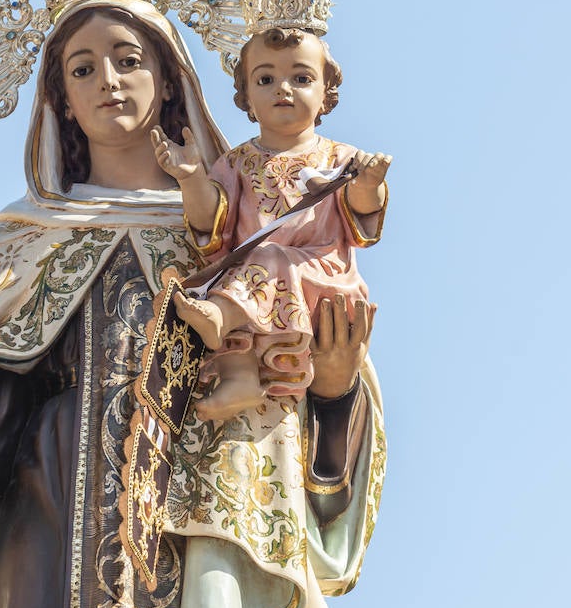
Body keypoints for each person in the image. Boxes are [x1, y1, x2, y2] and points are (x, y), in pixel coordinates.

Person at [0, 0, 386, 608]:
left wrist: (336, 391)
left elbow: (291, 393)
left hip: (198, 521)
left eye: (128, 60)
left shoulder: (228, 235)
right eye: (83, 69)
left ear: (169, 80)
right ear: (61, 97)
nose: (108, 81)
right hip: (51, 518)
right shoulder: (31, 238)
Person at [152, 28, 392, 421]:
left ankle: (220, 316)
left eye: (301, 78)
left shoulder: (341, 158)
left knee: (266, 263)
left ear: (326, 94)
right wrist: (191, 176)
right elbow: (213, 225)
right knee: (241, 273)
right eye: (266, 80)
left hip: (322, 278)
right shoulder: (236, 161)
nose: (284, 89)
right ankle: (241, 379)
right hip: (253, 278)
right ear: (246, 97)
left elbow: (362, 217)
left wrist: (369, 184)